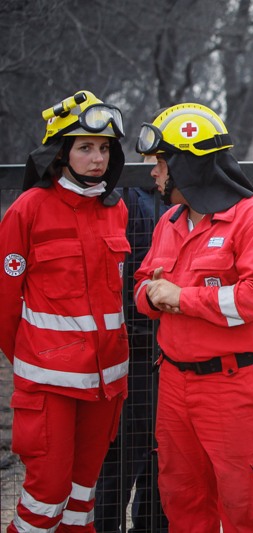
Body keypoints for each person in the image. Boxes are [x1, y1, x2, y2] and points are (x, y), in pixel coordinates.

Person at [132, 103, 253, 532]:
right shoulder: (170, 220)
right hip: (175, 385)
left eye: (162, 163)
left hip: (235, 387)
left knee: (246, 504)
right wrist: (153, 296)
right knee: (182, 499)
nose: (155, 173)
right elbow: (143, 286)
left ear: (189, 165)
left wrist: (181, 298)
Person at [0, 90, 130, 532]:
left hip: (106, 382)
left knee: (81, 497)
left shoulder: (116, 209)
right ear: (61, 153)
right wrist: (34, 361)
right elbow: (4, 305)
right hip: (49, 383)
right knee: (46, 495)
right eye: (85, 147)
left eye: (105, 149)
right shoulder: (27, 210)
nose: (97, 158)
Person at [95, 185, 168, 533]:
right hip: (142, 348)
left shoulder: (133, 199)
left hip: (144, 348)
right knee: (137, 456)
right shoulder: (129, 200)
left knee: (130, 458)